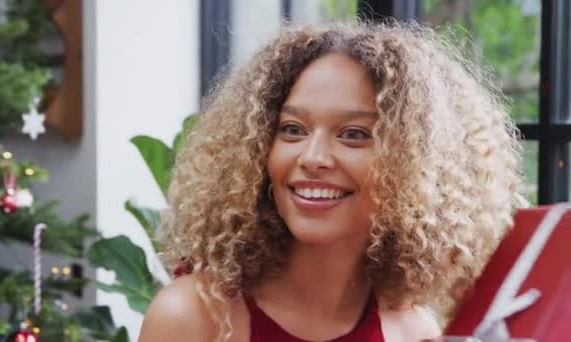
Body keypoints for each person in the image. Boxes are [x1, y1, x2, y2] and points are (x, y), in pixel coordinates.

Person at [139, 20, 526, 342]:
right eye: (292, 129)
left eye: (354, 134)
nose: (313, 157)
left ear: (416, 165)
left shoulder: (412, 331)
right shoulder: (194, 318)